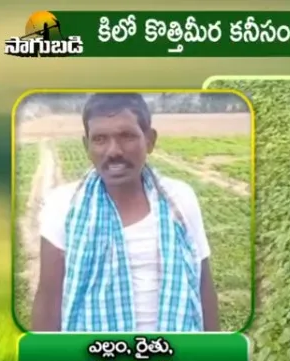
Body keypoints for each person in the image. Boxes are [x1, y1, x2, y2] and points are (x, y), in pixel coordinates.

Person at [31, 93, 220, 332]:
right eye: (100, 139)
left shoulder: (180, 199)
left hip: (174, 356)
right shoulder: (63, 205)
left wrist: (217, 355)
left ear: (150, 140)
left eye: (127, 136)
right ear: (86, 146)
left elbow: (203, 285)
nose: (114, 151)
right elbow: (49, 300)